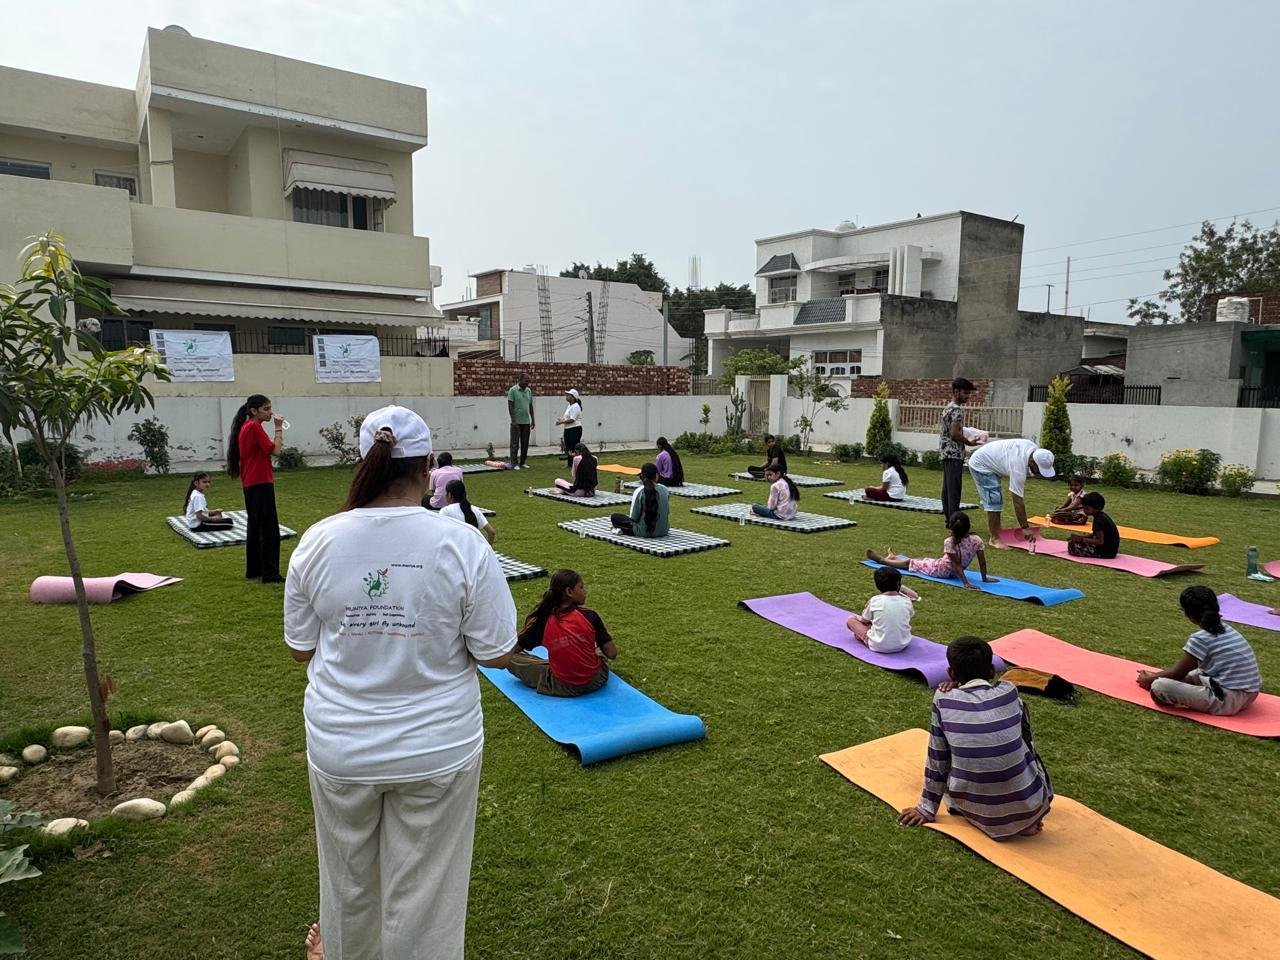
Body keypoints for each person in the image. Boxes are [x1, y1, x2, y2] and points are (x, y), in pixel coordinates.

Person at [284, 404, 518, 960]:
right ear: (428, 465)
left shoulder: (317, 542)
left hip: (342, 747)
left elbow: (300, 649)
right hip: (437, 749)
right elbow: (497, 652)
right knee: (426, 903)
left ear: (363, 462)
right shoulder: (463, 544)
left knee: (347, 885)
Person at [898, 636, 1053, 840]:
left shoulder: (943, 700)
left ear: (951, 673)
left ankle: (990, 811)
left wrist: (926, 809)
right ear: (992, 670)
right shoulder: (1010, 692)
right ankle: (1025, 815)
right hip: (1030, 806)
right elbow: (1026, 740)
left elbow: (938, 760)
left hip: (976, 810)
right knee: (1022, 740)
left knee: (959, 758)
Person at [1137, 585, 1261, 716]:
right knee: (1196, 673)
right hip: (1250, 694)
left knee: (1159, 687)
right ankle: (1157, 678)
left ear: (1190, 616)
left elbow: (1177, 673)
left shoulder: (1200, 639)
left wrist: (1148, 681)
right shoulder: (1227, 629)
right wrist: (1155, 675)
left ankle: (1155, 680)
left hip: (1228, 700)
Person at [507, 569, 618, 697]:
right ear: (569, 592)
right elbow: (612, 653)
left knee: (509, 658)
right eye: (581, 587)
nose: (585, 591)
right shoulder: (590, 616)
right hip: (596, 680)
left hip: (562, 686)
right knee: (598, 649)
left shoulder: (542, 621)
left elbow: (512, 650)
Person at [226, 393, 284, 583]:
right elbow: (276, 450)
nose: (270, 413)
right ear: (253, 411)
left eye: (270, 408)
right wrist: (278, 428)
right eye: (266, 409)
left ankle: (255, 569)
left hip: (251, 483)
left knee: (255, 526)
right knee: (269, 529)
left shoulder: (247, 426)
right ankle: (270, 573)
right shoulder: (254, 427)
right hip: (260, 482)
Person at [865, 511, 997, 591]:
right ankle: (892, 558)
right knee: (918, 561)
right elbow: (982, 562)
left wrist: (966, 583)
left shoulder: (949, 541)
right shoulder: (977, 540)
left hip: (941, 570)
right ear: (968, 526)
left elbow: (956, 564)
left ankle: (882, 560)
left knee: (910, 563)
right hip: (947, 569)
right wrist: (984, 578)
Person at [966, 437, 1056, 548]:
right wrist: (1025, 527)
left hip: (990, 459)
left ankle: (998, 531)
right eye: (1039, 469)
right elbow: (1017, 500)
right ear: (1032, 462)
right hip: (981, 464)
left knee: (995, 497)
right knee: (994, 499)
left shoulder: (1033, 450)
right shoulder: (1018, 466)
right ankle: (994, 538)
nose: (1039, 473)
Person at [846, 565, 920, 653]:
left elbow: (864, 620)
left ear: (877, 585)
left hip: (878, 645)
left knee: (851, 620)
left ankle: (863, 637)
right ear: (899, 585)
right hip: (903, 644)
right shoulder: (907, 601)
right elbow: (914, 598)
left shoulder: (875, 601)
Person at [939, 377, 980, 524]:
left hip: (945, 452)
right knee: (954, 489)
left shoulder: (948, 407)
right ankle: (955, 523)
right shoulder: (956, 410)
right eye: (965, 393)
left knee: (947, 488)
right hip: (954, 453)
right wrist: (969, 442)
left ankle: (949, 519)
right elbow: (954, 433)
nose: (968, 396)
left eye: (969, 393)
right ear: (956, 392)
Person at [610, 462, 670, 537]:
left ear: (642, 476)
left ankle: (623, 530)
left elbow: (634, 518)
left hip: (644, 531)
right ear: (656, 475)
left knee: (615, 517)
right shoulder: (664, 490)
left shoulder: (640, 491)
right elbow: (666, 512)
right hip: (663, 530)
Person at [441, 478, 495, 546]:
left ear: (449, 495)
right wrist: (488, 549)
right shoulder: (474, 509)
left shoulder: (445, 511)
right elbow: (491, 532)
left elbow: (440, 534)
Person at [1066, 492, 1119, 559]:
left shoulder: (1098, 520)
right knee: (1074, 541)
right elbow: (1095, 534)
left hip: (1105, 553)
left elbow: (1100, 541)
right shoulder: (1102, 516)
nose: (1084, 511)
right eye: (1083, 508)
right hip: (1110, 551)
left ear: (1097, 508)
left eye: (1087, 508)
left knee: (1072, 545)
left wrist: (1082, 539)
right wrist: (1081, 537)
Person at [506, 373, 535, 470]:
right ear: (520, 380)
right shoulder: (513, 390)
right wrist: (513, 420)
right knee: (514, 444)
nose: (528, 383)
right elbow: (510, 406)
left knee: (525, 444)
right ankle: (514, 463)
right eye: (526, 381)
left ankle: (522, 462)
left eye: (529, 381)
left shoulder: (528, 391)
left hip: (526, 422)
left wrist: (533, 420)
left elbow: (530, 406)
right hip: (516, 422)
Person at [554, 388, 583, 469]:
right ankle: (570, 464)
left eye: (569, 395)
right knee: (569, 447)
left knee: (574, 447)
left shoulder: (576, 406)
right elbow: (567, 417)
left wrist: (561, 422)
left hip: (574, 429)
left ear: (573, 397)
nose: (566, 396)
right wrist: (561, 420)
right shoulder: (569, 406)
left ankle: (576, 464)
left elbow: (572, 419)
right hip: (568, 429)